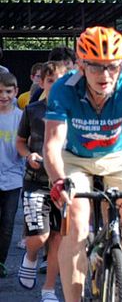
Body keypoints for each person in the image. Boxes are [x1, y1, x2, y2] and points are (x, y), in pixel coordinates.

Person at [43, 26, 122, 302]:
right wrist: (57, 181)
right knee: (76, 223)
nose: (105, 76)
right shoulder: (63, 89)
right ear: (81, 65)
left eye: (112, 67)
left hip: (119, 156)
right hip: (75, 157)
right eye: (96, 68)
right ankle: (73, 298)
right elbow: (52, 144)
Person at [16, 61, 66, 301]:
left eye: (60, 81)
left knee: (58, 237)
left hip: (65, 183)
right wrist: (29, 155)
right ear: (42, 82)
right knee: (40, 235)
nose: (55, 86)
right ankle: (32, 255)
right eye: (50, 81)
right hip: (36, 181)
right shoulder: (33, 109)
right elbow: (20, 142)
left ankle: (49, 289)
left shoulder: (75, 110)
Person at [0, 72, 22, 279]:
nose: (4, 96)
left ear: (15, 92)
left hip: (13, 177)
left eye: (8, 91)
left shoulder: (20, 117)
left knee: (7, 223)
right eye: (0, 91)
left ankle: (1, 261)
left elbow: (25, 144)